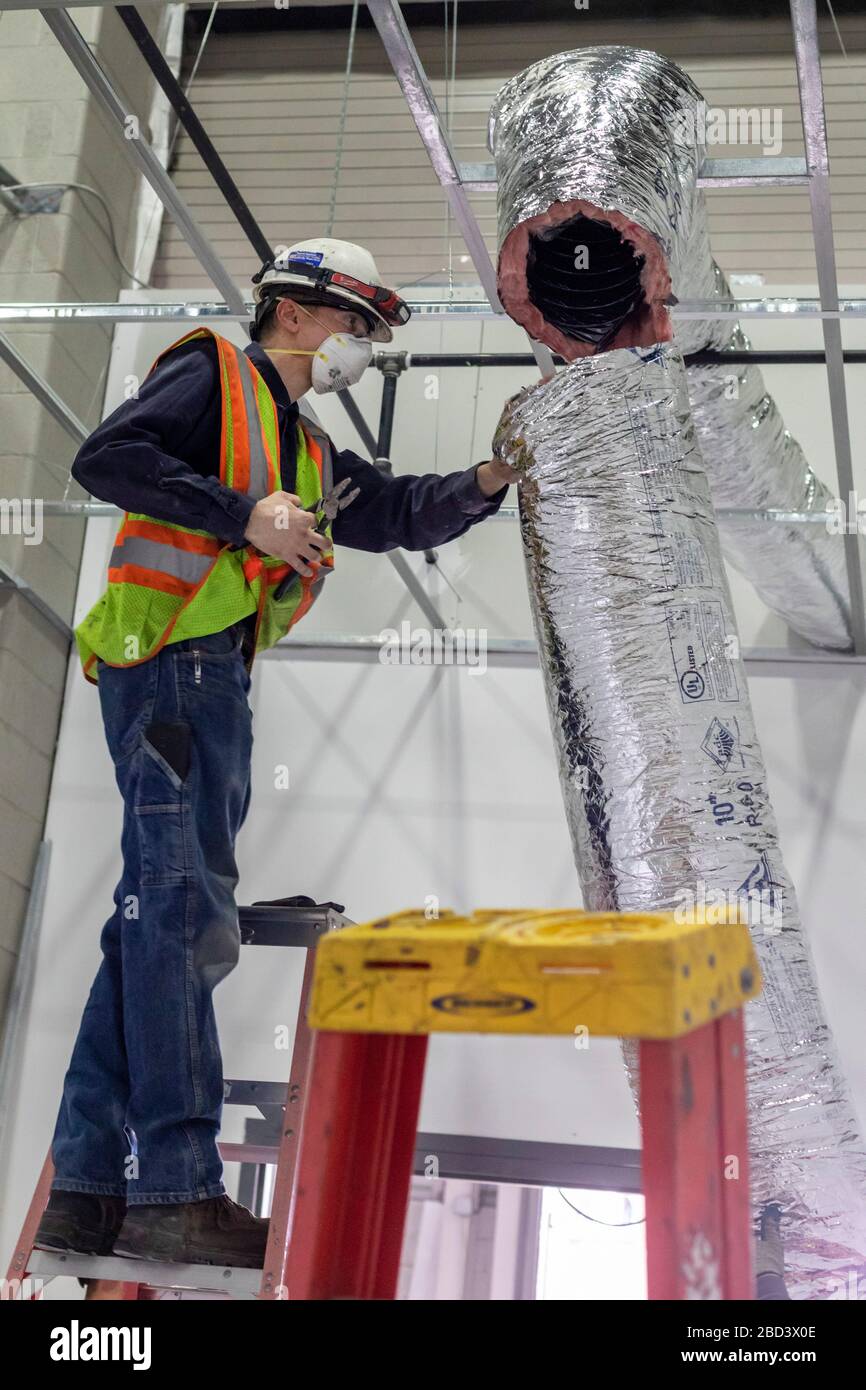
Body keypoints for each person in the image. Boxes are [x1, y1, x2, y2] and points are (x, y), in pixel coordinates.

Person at [35, 238, 518, 1271]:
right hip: (171, 662)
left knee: (149, 925)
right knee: (181, 915)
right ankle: (173, 1190)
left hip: (205, 679)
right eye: (356, 323)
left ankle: (82, 1192)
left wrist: (488, 476)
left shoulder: (301, 447)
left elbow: (384, 510)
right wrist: (239, 513)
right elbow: (106, 458)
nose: (362, 346)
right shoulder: (212, 373)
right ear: (296, 312)